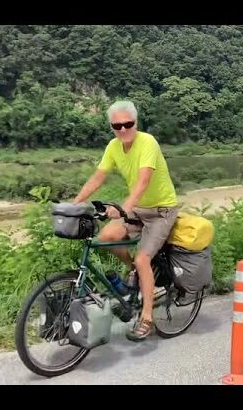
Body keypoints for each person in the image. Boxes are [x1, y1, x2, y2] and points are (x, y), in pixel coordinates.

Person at [73, 100, 179, 342]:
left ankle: (147, 317)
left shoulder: (147, 142)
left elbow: (142, 182)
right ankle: (136, 273)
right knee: (107, 237)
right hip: (138, 209)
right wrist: (76, 203)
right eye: (116, 126)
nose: (122, 130)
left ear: (136, 123)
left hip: (162, 210)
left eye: (127, 124)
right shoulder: (113, 146)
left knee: (143, 257)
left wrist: (122, 209)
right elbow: (98, 177)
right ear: (111, 127)